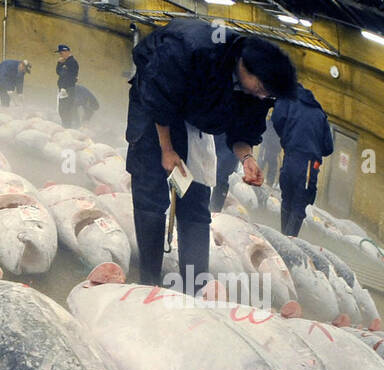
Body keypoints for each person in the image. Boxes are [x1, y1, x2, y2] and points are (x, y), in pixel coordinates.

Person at [125, 18, 295, 293]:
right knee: (151, 190)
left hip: (195, 119)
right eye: (262, 89)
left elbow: (244, 130)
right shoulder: (194, 48)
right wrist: (167, 150)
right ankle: (149, 282)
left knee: (196, 200)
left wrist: (247, 159)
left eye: (269, 95)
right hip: (154, 110)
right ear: (245, 68)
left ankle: (195, 287)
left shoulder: (260, 91)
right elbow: (159, 95)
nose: (264, 98)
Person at [271, 82, 335, 237]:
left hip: (291, 156)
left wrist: (287, 137)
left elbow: (277, 118)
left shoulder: (287, 100)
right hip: (309, 164)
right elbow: (329, 147)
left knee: (287, 197)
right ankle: (289, 241)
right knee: (299, 203)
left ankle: (283, 237)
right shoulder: (319, 114)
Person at [56, 44, 80, 128]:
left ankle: (67, 127)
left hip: (68, 89)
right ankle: (65, 126)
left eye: (61, 53)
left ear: (66, 52)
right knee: (62, 110)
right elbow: (59, 72)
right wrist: (59, 63)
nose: (60, 55)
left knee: (66, 109)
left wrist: (64, 88)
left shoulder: (71, 62)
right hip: (64, 89)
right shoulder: (66, 61)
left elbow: (68, 75)